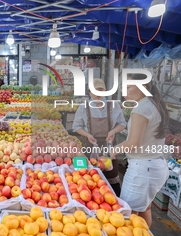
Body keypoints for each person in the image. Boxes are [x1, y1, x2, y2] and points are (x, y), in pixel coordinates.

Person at [111, 74, 169, 228]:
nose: (124, 92)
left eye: (128, 87)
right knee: (145, 209)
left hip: (143, 170)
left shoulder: (141, 108)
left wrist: (113, 151)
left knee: (127, 215)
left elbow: (133, 143)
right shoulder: (154, 104)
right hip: (155, 165)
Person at [72, 78, 126, 197]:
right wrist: (87, 135)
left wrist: (113, 131)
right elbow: (76, 126)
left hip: (109, 148)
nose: (97, 94)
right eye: (94, 91)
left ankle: (115, 204)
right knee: (86, 180)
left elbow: (122, 123)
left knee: (112, 181)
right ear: (89, 92)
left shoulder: (114, 106)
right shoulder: (83, 107)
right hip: (89, 147)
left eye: (101, 90)